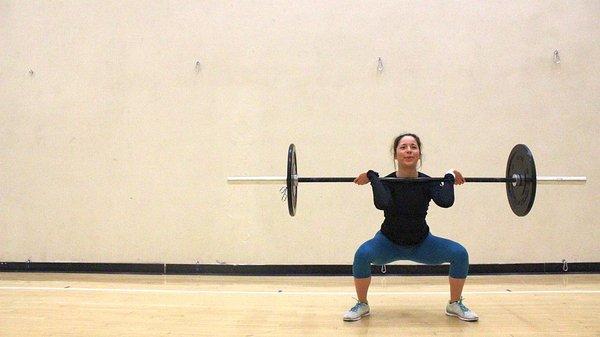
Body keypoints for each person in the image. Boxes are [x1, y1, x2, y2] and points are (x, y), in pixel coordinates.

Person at [343, 133, 478, 322]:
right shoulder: (387, 183)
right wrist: (373, 177)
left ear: (419, 154)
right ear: (396, 155)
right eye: (403, 147)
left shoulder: (428, 182)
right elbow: (382, 203)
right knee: (362, 255)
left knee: (460, 254)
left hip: (422, 244)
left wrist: (449, 176)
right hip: (387, 244)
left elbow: (446, 201)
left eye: (413, 147)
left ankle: (454, 303)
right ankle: (362, 304)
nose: (409, 151)